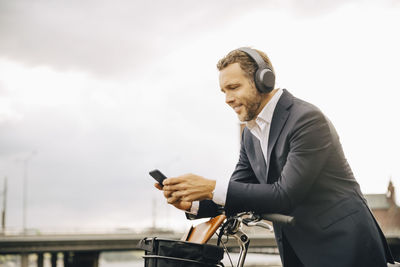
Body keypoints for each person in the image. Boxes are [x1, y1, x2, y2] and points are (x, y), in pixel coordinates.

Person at [155, 47, 394, 267]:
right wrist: (195, 204)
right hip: (299, 253)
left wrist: (210, 187)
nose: (227, 99)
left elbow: (285, 194)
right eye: (223, 91)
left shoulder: (307, 119)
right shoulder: (250, 133)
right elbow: (239, 190)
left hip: (345, 249)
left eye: (234, 87)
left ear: (263, 80)